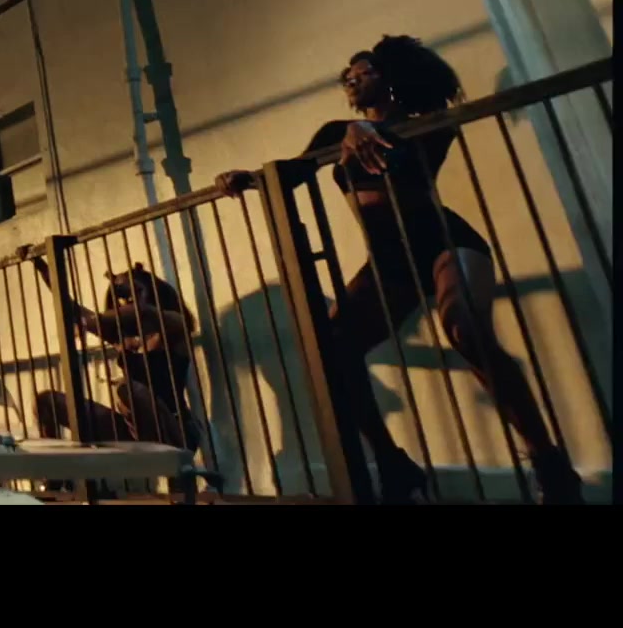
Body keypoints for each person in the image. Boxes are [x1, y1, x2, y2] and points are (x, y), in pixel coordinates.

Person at [216, 34, 583, 503]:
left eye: (363, 72)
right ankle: (394, 464)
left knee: (465, 328)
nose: (352, 79)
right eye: (347, 75)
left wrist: (369, 132)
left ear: (391, 78)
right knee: (333, 349)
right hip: (389, 261)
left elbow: (411, 157)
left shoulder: (427, 124)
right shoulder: (337, 131)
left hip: (443, 243)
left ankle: (549, 462)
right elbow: (294, 172)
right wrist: (248, 178)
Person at [19, 246, 204, 456]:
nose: (124, 303)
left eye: (132, 295)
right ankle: (55, 469)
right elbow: (69, 305)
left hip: (175, 430)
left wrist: (93, 321)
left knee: (129, 389)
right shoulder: (120, 335)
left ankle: (168, 468)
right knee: (46, 402)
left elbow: (145, 313)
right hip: (132, 431)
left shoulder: (175, 326)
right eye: (121, 299)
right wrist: (41, 265)